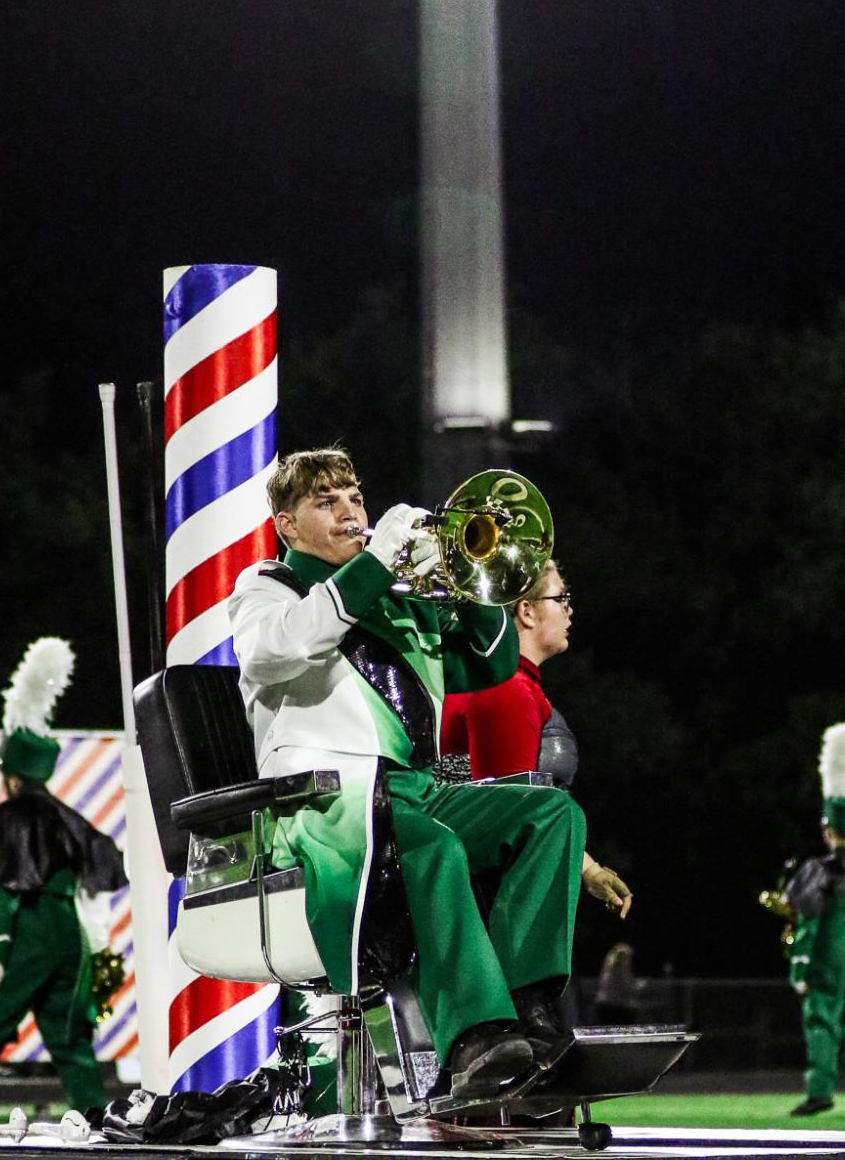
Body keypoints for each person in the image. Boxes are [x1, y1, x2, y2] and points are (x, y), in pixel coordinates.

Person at [228, 448, 588, 1106]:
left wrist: (463, 583)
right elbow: (278, 649)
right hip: (325, 801)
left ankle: (527, 1009)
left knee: (551, 814)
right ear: (286, 523)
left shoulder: (395, 597)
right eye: (325, 500)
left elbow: (493, 661)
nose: (348, 509)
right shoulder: (268, 589)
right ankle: (474, 1039)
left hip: (411, 790)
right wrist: (373, 564)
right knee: (433, 842)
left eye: (355, 496)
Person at [0, 639, 126, 1137]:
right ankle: (101, 1125)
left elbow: (1, 890)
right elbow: (101, 870)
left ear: (12, 777)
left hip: (27, 932)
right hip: (70, 936)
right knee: (70, 1042)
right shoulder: (69, 818)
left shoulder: (6, 816)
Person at [440, 559, 632, 919]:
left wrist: (588, 868)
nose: (570, 611)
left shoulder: (513, 684)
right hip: (482, 906)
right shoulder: (507, 689)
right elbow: (510, 818)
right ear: (526, 611)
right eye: (562, 599)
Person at [784, 723, 845, 1119]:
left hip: (829, 951)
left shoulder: (818, 868)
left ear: (827, 828)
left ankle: (820, 1090)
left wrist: (800, 965)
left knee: (822, 1020)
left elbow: (806, 917)